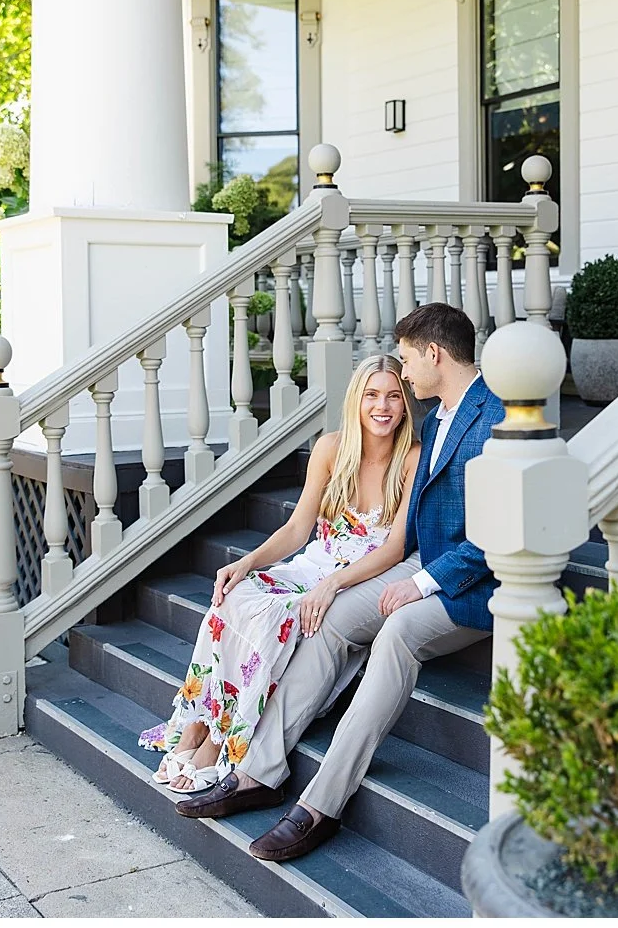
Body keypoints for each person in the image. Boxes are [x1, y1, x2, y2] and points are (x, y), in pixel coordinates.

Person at [175, 303, 504, 865]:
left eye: (406, 361)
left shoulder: (495, 417)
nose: (403, 374)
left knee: (397, 632)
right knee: (328, 620)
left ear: (434, 354)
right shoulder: (437, 417)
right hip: (425, 565)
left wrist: (423, 581)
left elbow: (499, 535)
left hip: (476, 585)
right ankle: (258, 773)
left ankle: (321, 805)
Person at [139, 355, 420, 792]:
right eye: (371, 395)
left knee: (277, 615)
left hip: (356, 579)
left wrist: (333, 584)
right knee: (234, 596)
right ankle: (199, 725)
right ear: (356, 399)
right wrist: (246, 562)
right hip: (312, 565)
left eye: (393, 396)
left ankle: (218, 741)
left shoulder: (411, 458)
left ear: (405, 405)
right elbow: (296, 529)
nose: (381, 406)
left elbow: (395, 547)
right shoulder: (331, 449)